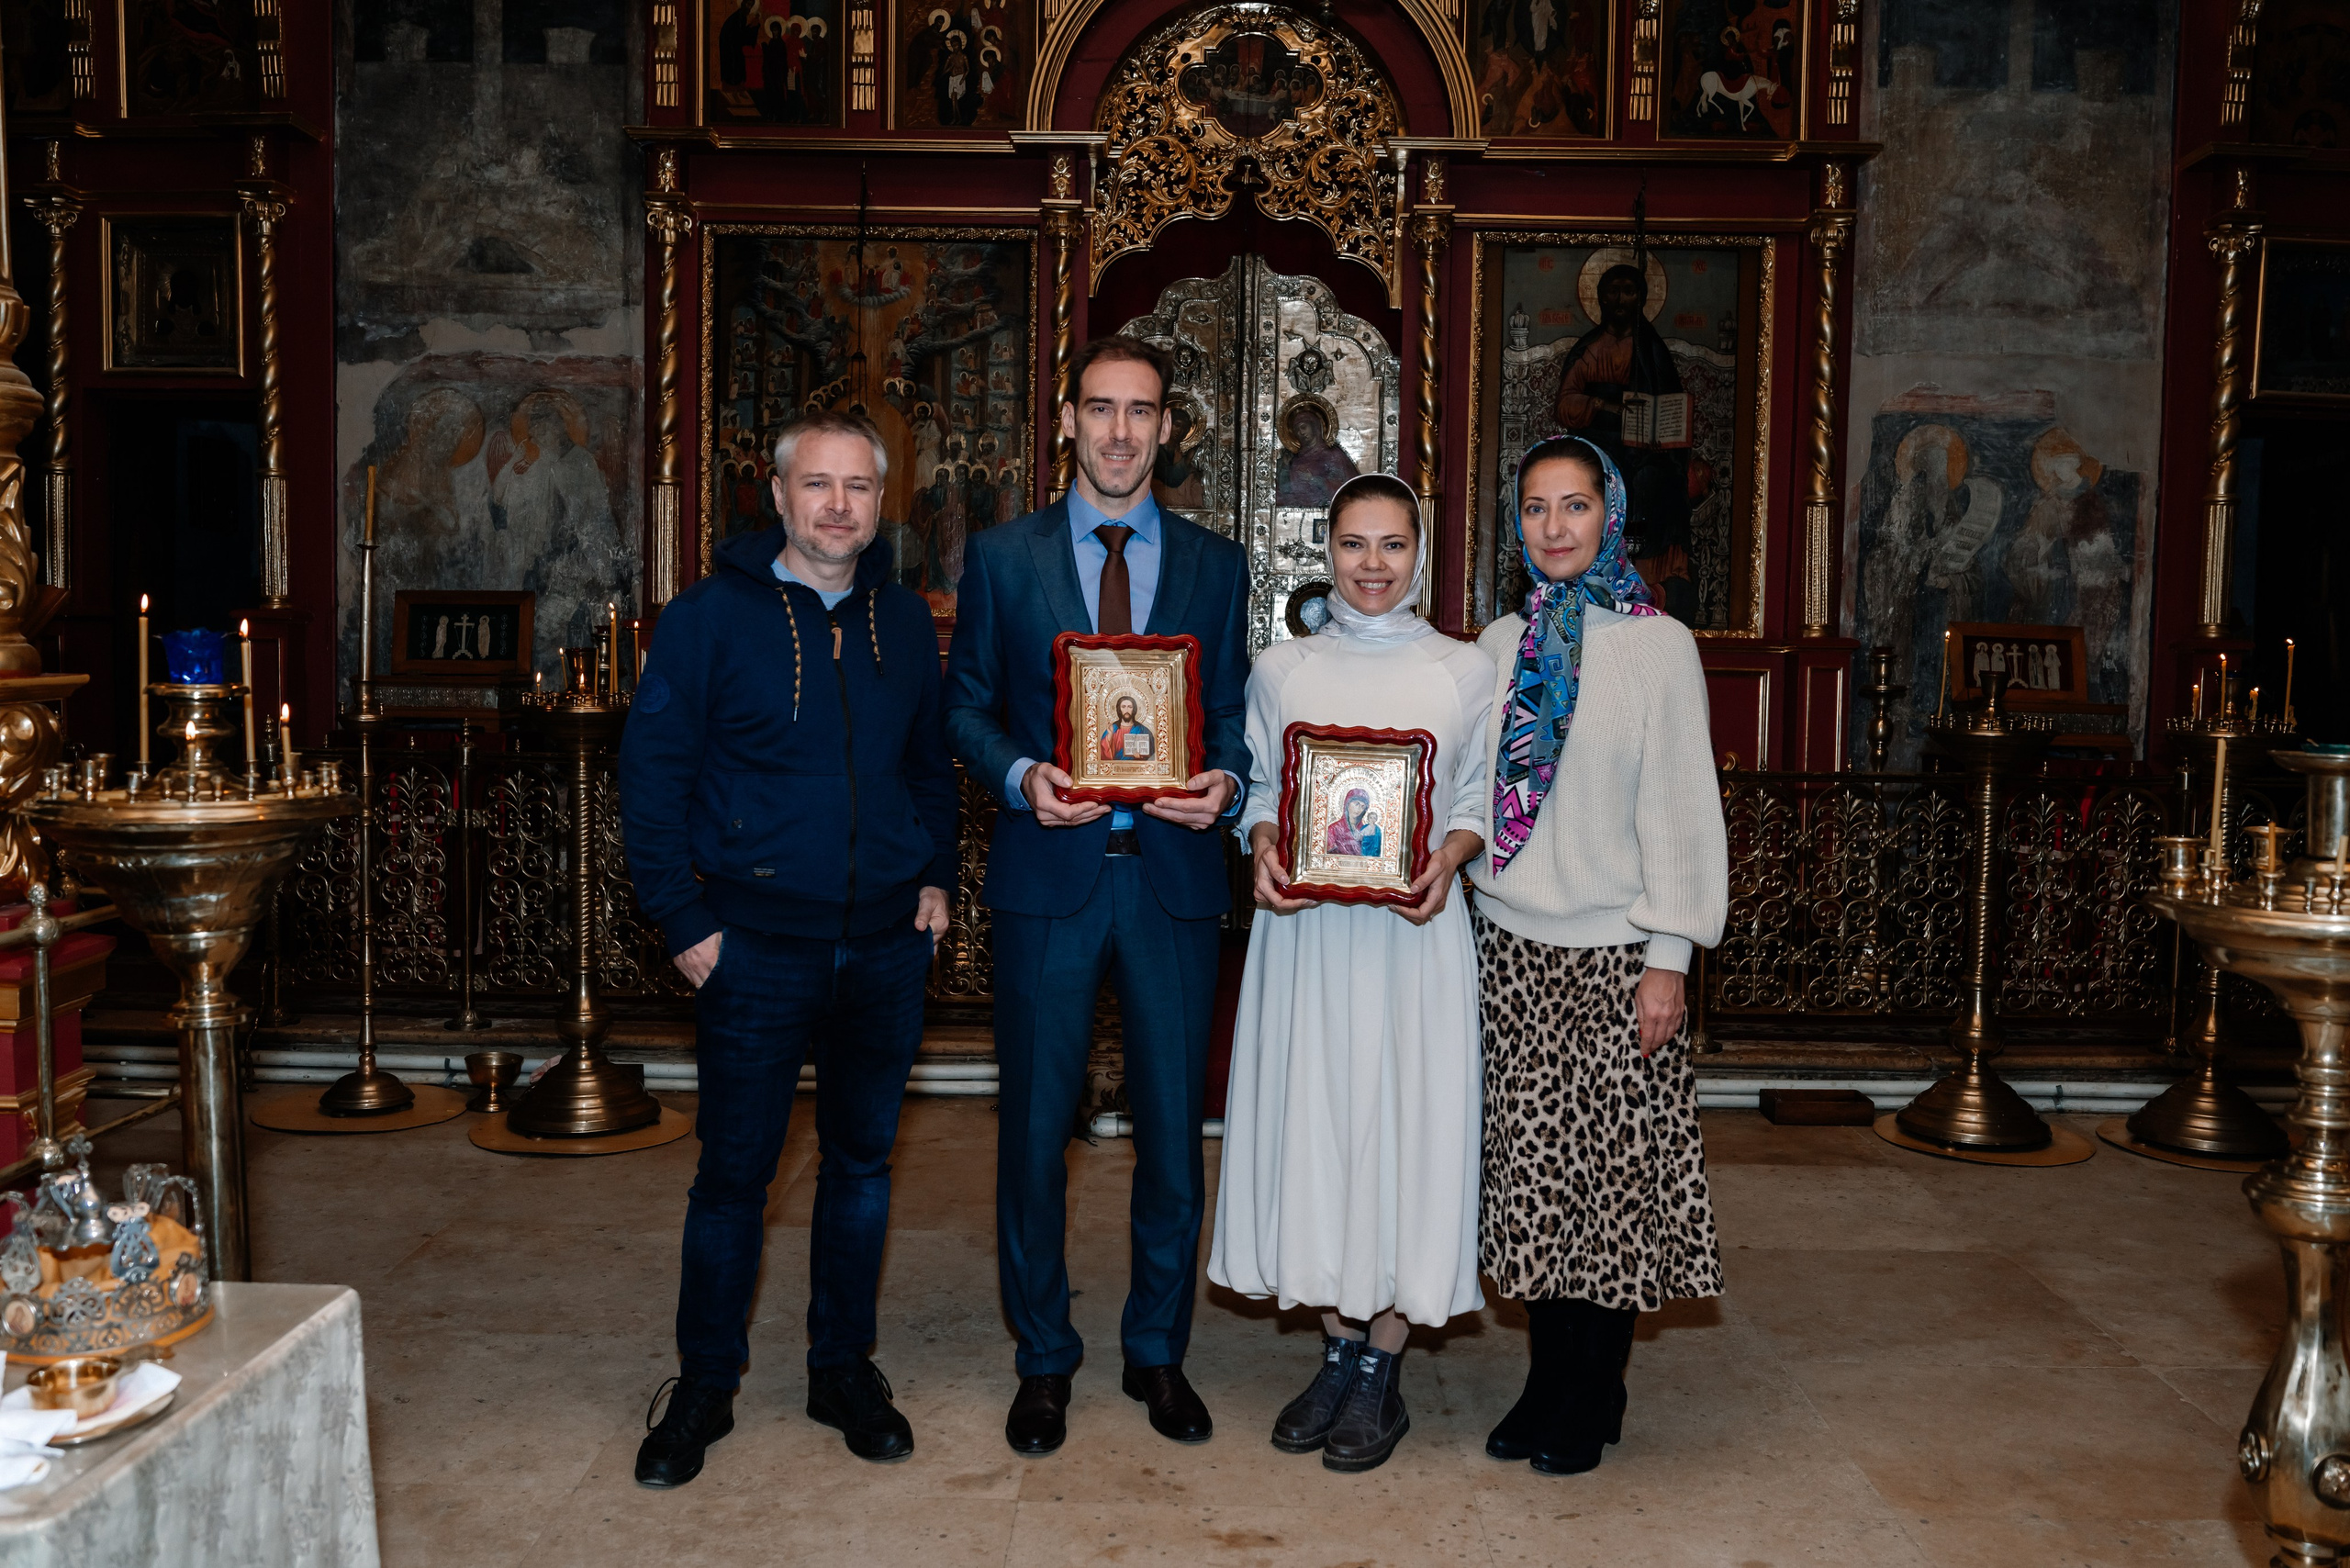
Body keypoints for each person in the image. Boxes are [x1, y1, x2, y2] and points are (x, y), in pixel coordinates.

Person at [618, 409, 958, 1486]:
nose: (838, 506)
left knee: (860, 1169)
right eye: (818, 484)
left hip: (884, 947)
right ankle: (706, 1385)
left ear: (879, 502)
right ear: (776, 493)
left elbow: (927, 769)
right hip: (752, 945)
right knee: (734, 1179)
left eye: (858, 488)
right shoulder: (707, 617)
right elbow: (653, 776)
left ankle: (840, 1370)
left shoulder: (903, 621)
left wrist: (938, 877)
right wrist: (683, 923)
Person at [946, 336, 1252, 1456]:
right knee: (1035, 1135)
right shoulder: (1002, 556)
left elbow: (1229, 716)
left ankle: (1156, 1352)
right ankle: (1042, 1359)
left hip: (1170, 880)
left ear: (1169, 429)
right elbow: (965, 707)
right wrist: (1024, 779)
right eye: (1100, 409)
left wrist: (1225, 779)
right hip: (1050, 878)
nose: (1121, 431)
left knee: (1174, 1135)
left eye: (1143, 412)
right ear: (1066, 421)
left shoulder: (1217, 566)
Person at [1212, 473, 1494, 1473]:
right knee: (1320, 1121)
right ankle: (1336, 1346)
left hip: (1413, 935)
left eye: (1392, 545)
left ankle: (1382, 1360)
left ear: (1421, 552)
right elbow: (1254, 782)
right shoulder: (1281, 668)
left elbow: (1476, 793)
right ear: (1322, 551)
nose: (1371, 565)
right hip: (1309, 934)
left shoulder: (1464, 669)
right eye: (1353, 545)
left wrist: (1447, 860)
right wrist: (1260, 847)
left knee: (1401, 1127)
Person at [1467, 436, 1727, 1477]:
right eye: (1536, 508)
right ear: (1517, 523)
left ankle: (1589, 1390)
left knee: (1607, 1190)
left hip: (1617, 958)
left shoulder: (1658, 646)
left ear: (1608, 515)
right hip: (1511, 954)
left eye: (1575, 506)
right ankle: (1547, 1380)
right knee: (1531, 1183)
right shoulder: (1494, 644)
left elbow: (1679, 803)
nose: (1555, 527)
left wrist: (1670, 954)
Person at [1551, 264, 1695, 622]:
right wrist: (1602, 405)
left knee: (1664, 481)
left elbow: (1671, 404)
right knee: (1593, 481)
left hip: (1645, 445)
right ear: (1599, 298)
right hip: (1598, 441)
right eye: (1612, 291)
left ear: (1642, 299)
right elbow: (1566, 403)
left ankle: (1655, 579)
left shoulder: (1652, 350)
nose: (1620, 300)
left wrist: (1664, 432)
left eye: (1629, 292)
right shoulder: (1590, 349)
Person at [1099, 694, 1155, 761]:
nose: (1127, 710)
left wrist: (1142, 756)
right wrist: (1110, 736)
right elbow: (1102, 754)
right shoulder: (1113, 729)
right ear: (1119, 709)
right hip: (1116, 769)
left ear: (1134, 709)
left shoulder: (1143, 730)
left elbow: (1152, 753)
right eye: (1123, 707)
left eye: (1130, 707)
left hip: (1137, 768)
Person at [1323, 789, 1372, 856]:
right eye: (1356, 804)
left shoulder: (1365, 830)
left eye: (1363, 806)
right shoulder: (1333, 829)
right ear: (1347, 803)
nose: (1359, 809)